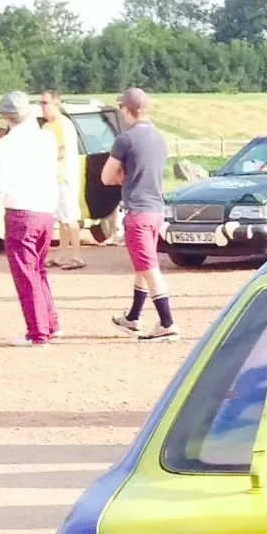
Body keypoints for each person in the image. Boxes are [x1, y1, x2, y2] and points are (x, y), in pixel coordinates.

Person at [0, 92, 60, 346]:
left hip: (21, 214)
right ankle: (50, 324)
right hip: (46, 212)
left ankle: (38, 333)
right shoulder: (47, 138)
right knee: (38, 270)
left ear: (6, 117)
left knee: (26, 274)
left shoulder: (7, 144)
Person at [105, 87, 178, 342]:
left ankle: (167, 322)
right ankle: (134, 316)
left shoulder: (125, 139)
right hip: (156, 208)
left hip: (138, 210)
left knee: (149, 268)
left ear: (127, 110)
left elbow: (106, 177)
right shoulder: (159, 137)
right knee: (142, 265)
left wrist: (122, 177)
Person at [40, 90, 85, 267]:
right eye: (41, 103)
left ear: (56, 103)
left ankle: (77, 255)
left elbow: (62, 150)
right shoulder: (46, 126)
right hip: (53, 177)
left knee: (70, 216)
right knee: (61, 218)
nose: (43, 107)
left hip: (65, 176)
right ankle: (62, 254)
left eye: (46, 103)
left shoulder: (63, 125)